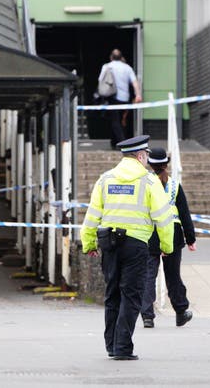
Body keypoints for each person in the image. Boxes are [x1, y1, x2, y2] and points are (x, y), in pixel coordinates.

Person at [81, 135, 174, 360]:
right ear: (141, 156)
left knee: (112, 294)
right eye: (146, 157)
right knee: (131, 295)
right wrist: (166, 246)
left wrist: (89, 242)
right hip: (136, 246)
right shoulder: (149, 181)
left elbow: (92, 215)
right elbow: (163, 218)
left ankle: (111, 345)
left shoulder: (105, 179)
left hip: (108, 244)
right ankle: (123, 348)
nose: (147, 161)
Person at [140, 148, 196, 329]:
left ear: (150, 163)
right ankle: (181, 311)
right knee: (173, 275)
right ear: (166, 164)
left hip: (150, 233)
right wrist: (190, 238)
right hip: (173, 234)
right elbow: (184, 213)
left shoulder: (144, 183)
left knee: (149, 274)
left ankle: (147, 315)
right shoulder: (174, 185)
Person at [98, 49, 143, 149]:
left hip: (112, 97)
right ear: (121, 57)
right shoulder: (127, 68)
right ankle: (114, 142)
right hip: (125, 99)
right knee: (121, 120)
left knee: (115, 121)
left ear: (111, 57)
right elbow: (134, 82)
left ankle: (122, 142)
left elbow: (101, 80)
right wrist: (138, 94)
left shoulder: (107, 66)